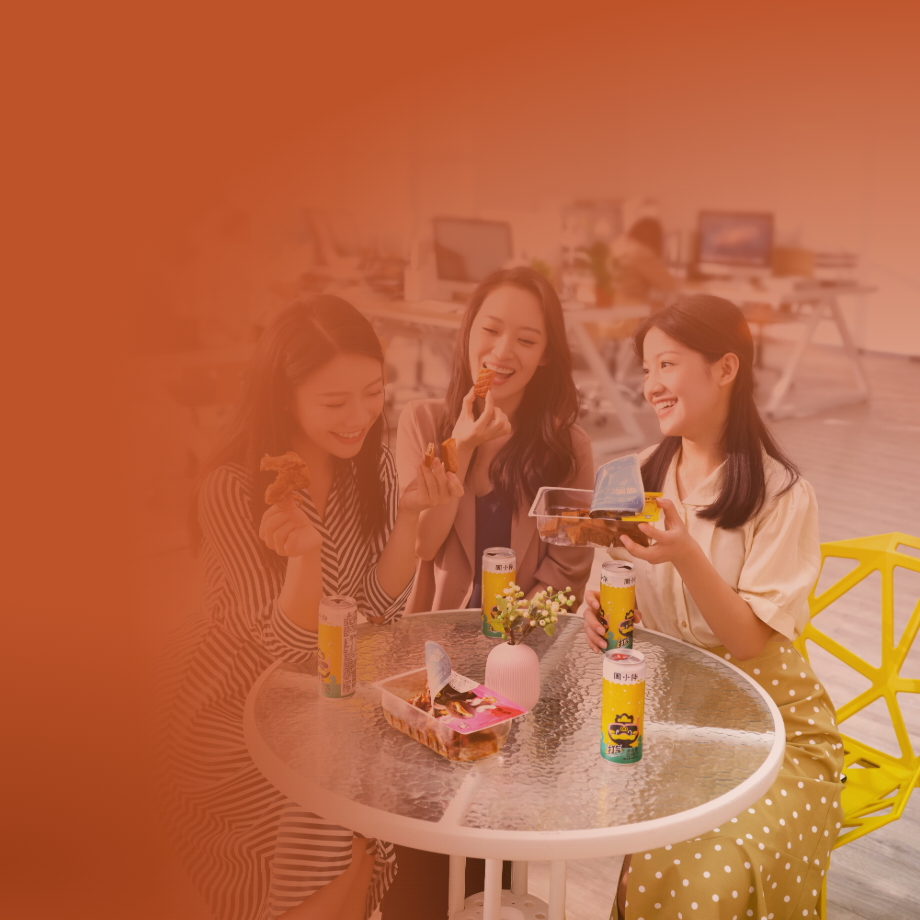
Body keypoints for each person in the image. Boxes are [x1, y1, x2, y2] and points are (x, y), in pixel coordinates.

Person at [162, 297, 462, 920]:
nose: (359, 418)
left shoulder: (370, 467)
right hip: (235, 710)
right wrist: (303, 558)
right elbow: (291, 648)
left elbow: (377, 611)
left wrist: (410, 514)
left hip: (326, 699)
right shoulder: (232, 488)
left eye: (373, 393)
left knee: (365, 835)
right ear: (284, 398)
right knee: (333, 830)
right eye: (334, 403)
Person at [581, 294, 843, 920]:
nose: (651, 385)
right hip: (666, 712)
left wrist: (685, 556)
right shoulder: (625, 478)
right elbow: (611, 596)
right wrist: (599, 616)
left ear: (725, 368)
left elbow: (751, 642)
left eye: (667, 364)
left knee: (704, 874)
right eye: (646, 369)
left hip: (774, 727)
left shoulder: (782, 493)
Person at [382, 266, 596, 918]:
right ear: (467, 333)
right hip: (430, 666)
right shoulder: (424, 422)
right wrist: (466, 446)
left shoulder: (567, 449)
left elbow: (567, 573)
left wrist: (508, 652)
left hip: (518, 672)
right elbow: (424, 544)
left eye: (526, 340)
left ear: (548, 354)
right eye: (491, 330)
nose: (503, 352)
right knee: (420, 845)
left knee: (490, 855)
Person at [610, 216, 678, 308]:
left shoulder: (620, 243)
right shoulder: (640, 251)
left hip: (615, 303)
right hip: (633, 307)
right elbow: (669, 284)